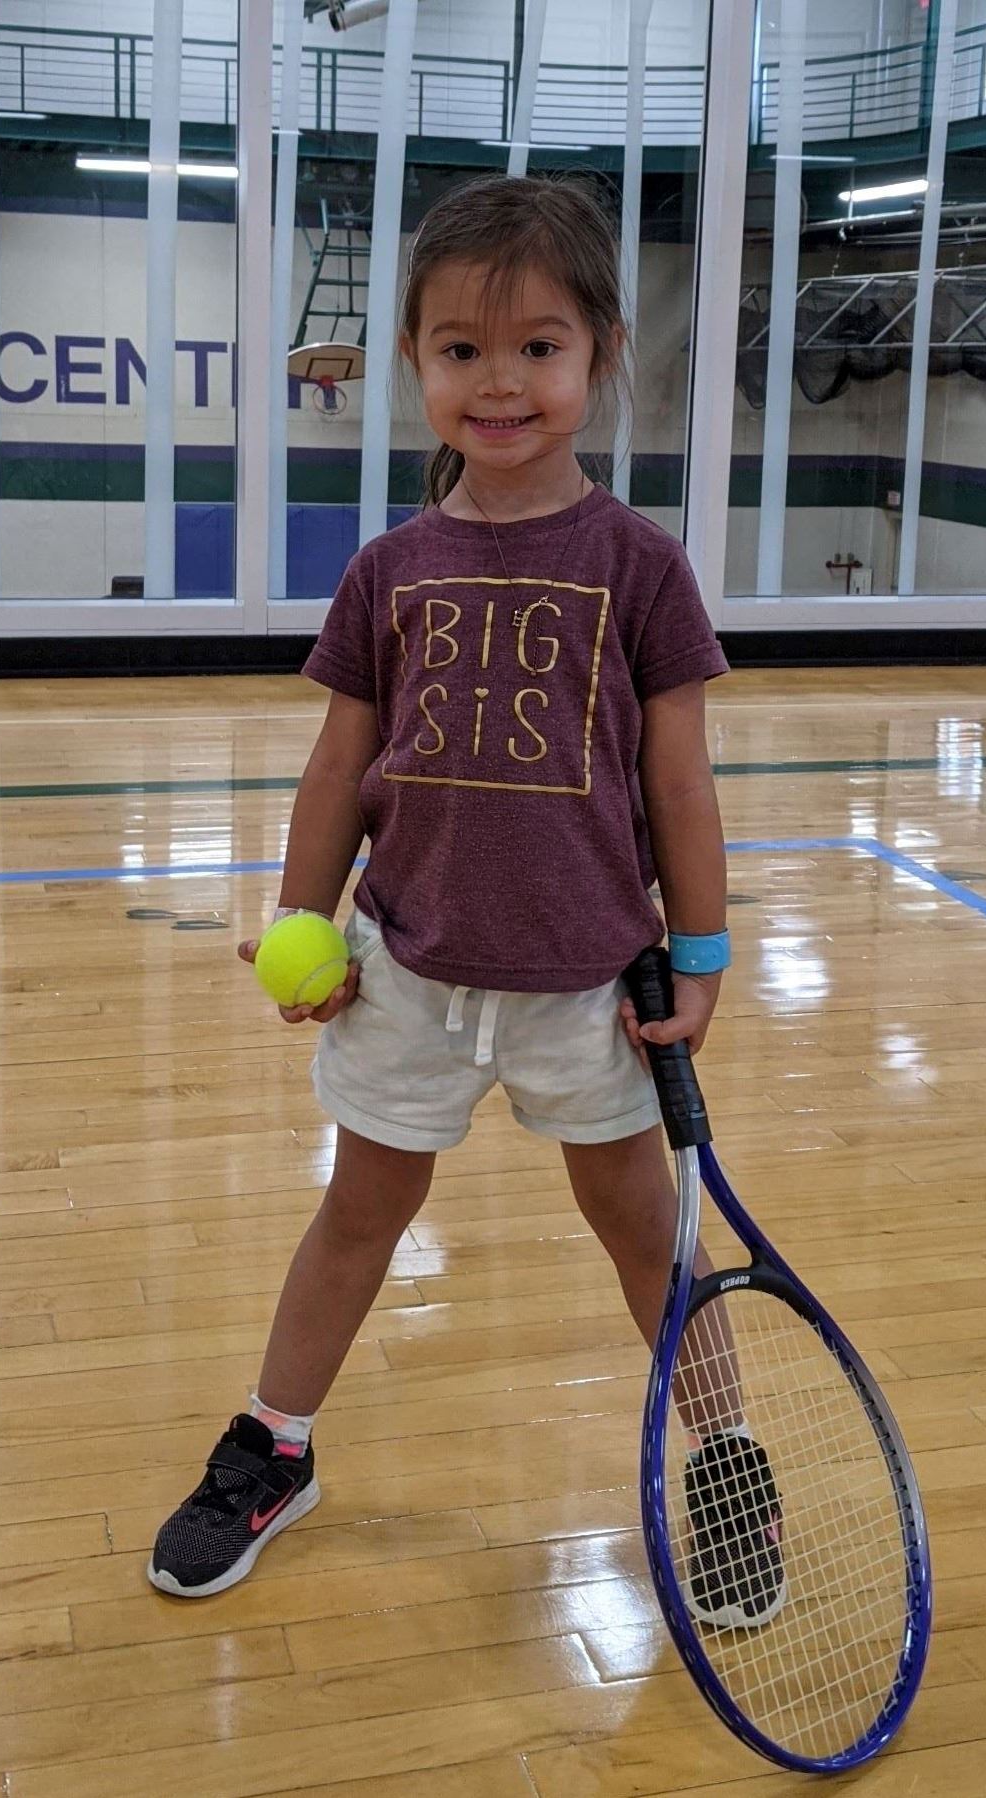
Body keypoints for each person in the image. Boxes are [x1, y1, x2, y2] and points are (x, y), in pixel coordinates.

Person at [148, 175, 782, 1624]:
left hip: (592, 990)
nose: (500, 383)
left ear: (601, 353)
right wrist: (296, 933)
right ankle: (275, 1445)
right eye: (460, 350)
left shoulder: (640, 565)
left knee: (643, 1233)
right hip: (404, 978)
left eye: (538, 347)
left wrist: (699, 953)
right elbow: (336, 763)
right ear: (412, 365)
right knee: (357, 1213)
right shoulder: (392, 569)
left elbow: (679, 786)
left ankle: (728, 1456)